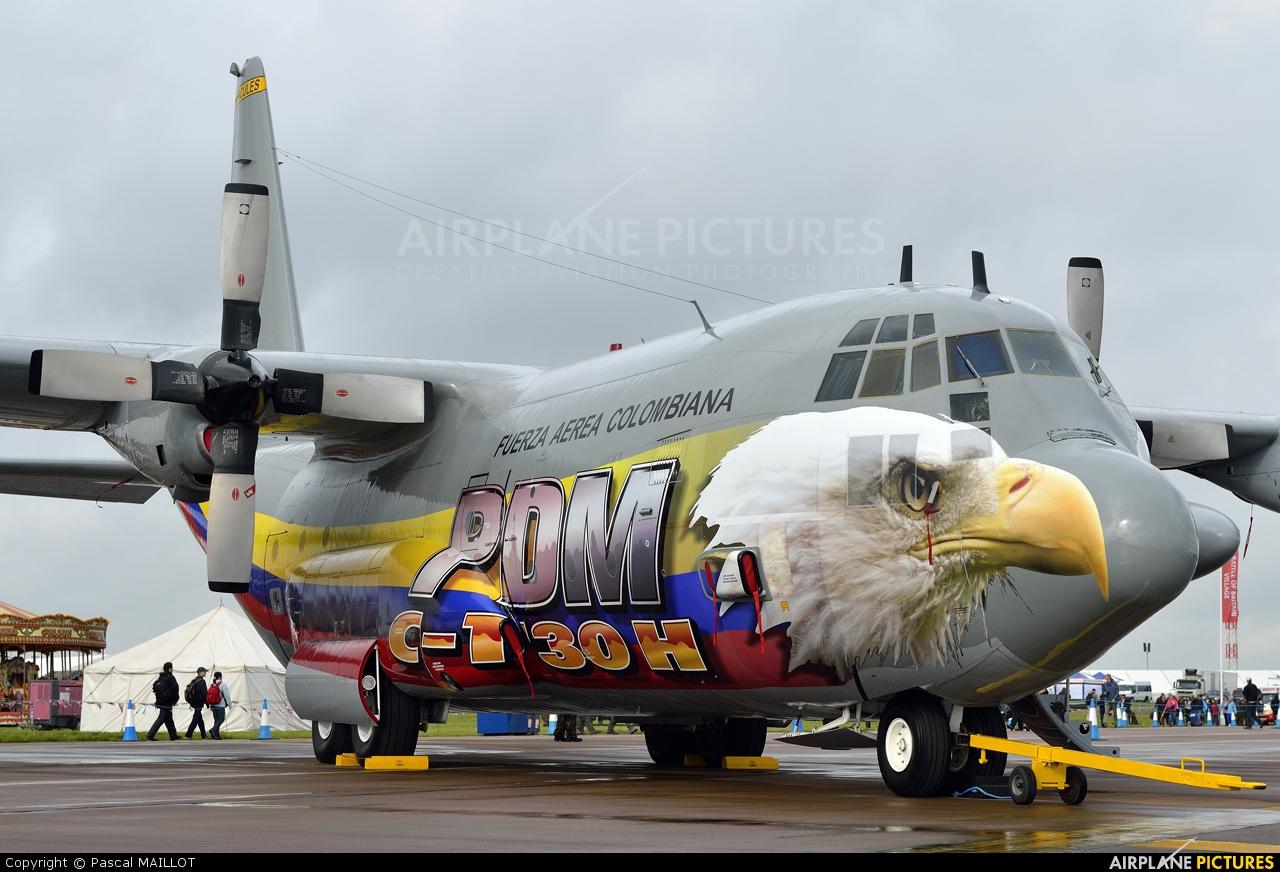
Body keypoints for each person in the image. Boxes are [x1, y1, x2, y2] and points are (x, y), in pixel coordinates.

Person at [146, 661, 180, 741]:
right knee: (161, 719)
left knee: (169, 719)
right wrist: (175, 700)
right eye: (172, 667)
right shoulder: (170, 677)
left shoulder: (160, 677)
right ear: (169, 668)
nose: (172, 669)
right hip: (167, 702)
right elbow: (175, 689)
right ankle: (150, 735)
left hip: (161, 701)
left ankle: (173, 735)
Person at [184, 667, 208, 739]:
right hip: (199, 702)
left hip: (193, 702)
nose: (205, 673)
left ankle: (204, 735)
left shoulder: (194, 680)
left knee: (199, 720)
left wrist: (192, 702)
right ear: (201, 672)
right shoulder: (202, 682)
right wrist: (207, 703)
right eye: (204, 671)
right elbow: (204, 694)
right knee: (195, 719)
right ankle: (188, 735)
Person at [207, 671, 231, 740]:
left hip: (213, 705)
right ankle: (213, 730)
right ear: (220, 677)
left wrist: (210, 705)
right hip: (220, 705)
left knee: (216, 720)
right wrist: (229, 704)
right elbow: (227, 695)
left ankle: (216, 736)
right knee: (221, 719)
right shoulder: (222, 684)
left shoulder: (212, 685)